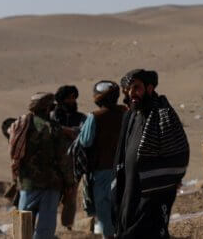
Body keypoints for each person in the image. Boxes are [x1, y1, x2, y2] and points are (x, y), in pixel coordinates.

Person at [112, 69, 190, 238]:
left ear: (149, 88)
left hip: (154, 195)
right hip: (129, 192)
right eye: (128, 89)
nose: (132, 93)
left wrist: (165, 180)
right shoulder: (131, 116)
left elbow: (178, 154)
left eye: (136, 88)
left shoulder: (163, 115)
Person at [8, 92, 75, 239]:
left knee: (23, 227)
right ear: (48, 108)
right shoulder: (54, 129)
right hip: (51, 186)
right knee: (46, 228)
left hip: (27, 184)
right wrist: (70, 182)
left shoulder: (22, 125)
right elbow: (64, 159)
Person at [78, 80, 128, 239]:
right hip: (125, 169)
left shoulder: (95, 117)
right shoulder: (125, 113)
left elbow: (85, 141)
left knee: (104, 212)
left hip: (102, 171)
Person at [51, 85, 87, 229]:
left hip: (73, 164)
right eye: (68, 98)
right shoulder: (52, 117)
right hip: (54, 165)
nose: (72, 101)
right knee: (52, 196)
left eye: (74, 98)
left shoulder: (81, 117)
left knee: (71, 197)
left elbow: (82, 134)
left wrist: (67, 131)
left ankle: (68, 227)